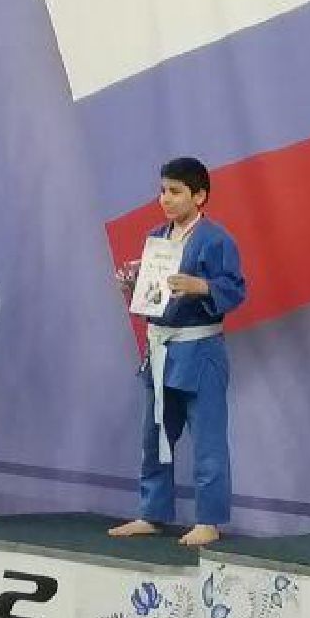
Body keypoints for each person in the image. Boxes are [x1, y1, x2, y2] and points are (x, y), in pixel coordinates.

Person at [109, 158, 248, 546]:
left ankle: (209, 520)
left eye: (175, 191)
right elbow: (153, 295)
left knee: (207, 438)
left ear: (199, 196)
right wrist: (134, 287)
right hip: (161, 347)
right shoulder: (156, 237)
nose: (165, 199)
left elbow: (236, 289)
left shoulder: (217, 240)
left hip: (200, 349)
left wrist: (200, 286)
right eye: (162, 191)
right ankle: (151, 512)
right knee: (154, 435)